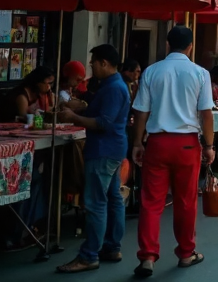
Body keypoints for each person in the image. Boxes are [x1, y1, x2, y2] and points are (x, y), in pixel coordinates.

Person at [130, 26, 214, 278]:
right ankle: (186, 253)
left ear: (167, 44)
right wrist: (209, 146)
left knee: (151, 203)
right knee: (186, 201)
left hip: (157, 142)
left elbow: (141, 111)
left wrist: (137, 143)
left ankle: (147, 257)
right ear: (190, 45)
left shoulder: (151, 71)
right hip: (187, 144)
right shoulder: (200, 73)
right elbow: (206, 113)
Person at [54, 45, 130, 273]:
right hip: (112, 148)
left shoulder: (114, 88)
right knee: (112, 197)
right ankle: (111, 246)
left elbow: (103, 122)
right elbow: (99, 113)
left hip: (103, 150)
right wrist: (82, 107)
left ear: (104, 63)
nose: (92, 67)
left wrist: (73, 116)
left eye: (94, 63)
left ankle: (89, 255)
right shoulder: (110, 86)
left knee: (96, 202)